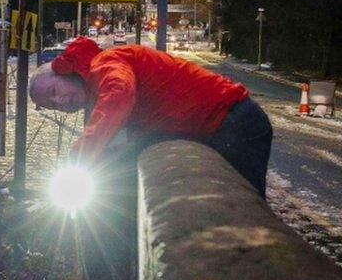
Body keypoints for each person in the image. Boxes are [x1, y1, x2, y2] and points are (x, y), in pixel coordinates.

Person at [29, 37, 273, 196]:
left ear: (65, 71)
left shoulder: (105, 63)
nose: (60, 102)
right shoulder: (97, 84)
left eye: (54, 91)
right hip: (227, 124)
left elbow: (119, 95)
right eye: (52, 106)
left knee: (246, 217)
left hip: (235, 122)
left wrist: (79, 159)